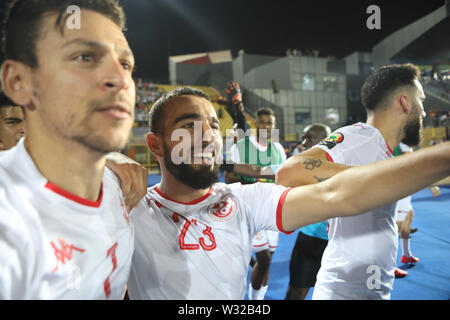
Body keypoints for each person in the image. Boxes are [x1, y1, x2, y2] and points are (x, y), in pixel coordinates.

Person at [126, 86, 450, 300]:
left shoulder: (242, 201)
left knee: (265, 261)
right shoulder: (130, 205)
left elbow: (337, 196)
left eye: (213, 125)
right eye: (190, 125)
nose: (209, 135)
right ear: (155, 144)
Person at [0, 0, 146, 299]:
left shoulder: (121, 186)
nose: (119, 79)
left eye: (125, 64)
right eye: (84, 56)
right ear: (18, 81)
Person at [276, 63, 436, 299]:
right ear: (404, 101)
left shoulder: (382, 148)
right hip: (343, 292)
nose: (423, 111)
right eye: (421, 100)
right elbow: (289, 172)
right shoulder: (360, 136)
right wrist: (375, 177)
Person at [226, 107, 287, 300]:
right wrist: (254, 182)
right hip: (250, 209)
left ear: (274, 126)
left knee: (267, 261)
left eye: (269, 123)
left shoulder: (278, 149)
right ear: (256, 124)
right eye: (261, 122)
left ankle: (257, 299)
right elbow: (229, 176)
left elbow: (283, 178)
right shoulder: (242, 145)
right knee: (263, 259)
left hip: (272, 209)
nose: (265, 126)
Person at [284, 123, 331, 300]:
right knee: (296, 292)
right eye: (303, 137)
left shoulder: (343, 166)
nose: (303, 143)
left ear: (325, 140)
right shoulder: (299, 166)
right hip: (309, 240)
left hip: (338, 243)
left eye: (309, 138)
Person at [393, 142, 440, 278]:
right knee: (396, 227)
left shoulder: (403, 142)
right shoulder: (403, 142)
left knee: (408, 216)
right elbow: (413, 166)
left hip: (404, 186)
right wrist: (431, 185)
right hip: (400, 188)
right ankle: (390, 266)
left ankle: (406, 255)